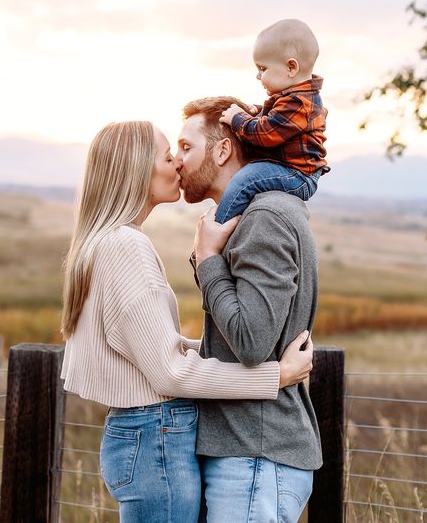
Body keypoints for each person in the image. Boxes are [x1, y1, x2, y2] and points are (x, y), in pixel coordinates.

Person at [60, 120, 314, 523]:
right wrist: (275, 376)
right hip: (155, 435)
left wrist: (205, 347)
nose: (177, 164)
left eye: (180, 151)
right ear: (136, 169)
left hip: (147, 436)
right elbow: (170, 375)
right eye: (167, 156)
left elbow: (151, 349)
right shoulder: (125, 246)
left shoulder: (109, 241)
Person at [176, 97, 323, 523]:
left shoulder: (265, 217)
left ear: (222, 151)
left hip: (257, 457)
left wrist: (208, 263)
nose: (178, 160)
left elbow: (251, 341)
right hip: (247, 455)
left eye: (187, 147)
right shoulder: (253, 215)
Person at [216, 18, 329, 223]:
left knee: (245, 179)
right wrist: (255, 111)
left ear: (291, 67)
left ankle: (218, 226)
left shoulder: (298, 103)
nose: (258, 76)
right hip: (291, 170)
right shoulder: (294, 99)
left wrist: (237, 119)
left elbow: (265, 134)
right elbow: (275, 119)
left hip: (297, 175)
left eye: (262, 68)